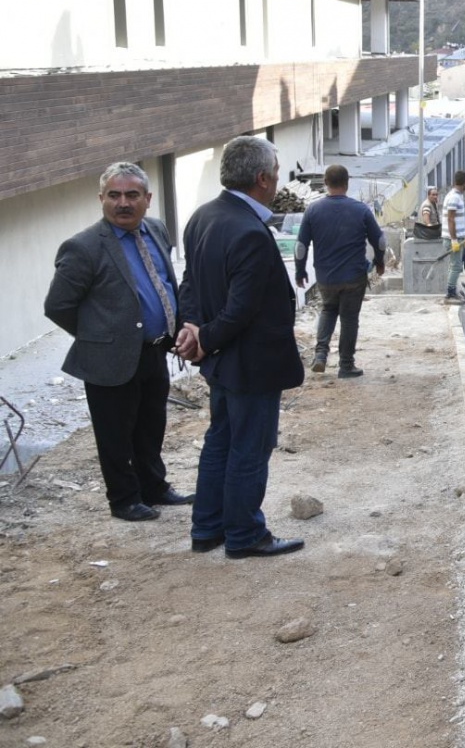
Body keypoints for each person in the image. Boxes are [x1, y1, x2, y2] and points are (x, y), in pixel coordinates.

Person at [175, 136, 305, 558]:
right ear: (263, 178)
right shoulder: (248, 229)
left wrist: (194, 331)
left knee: (221, 442)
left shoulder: (203, 216)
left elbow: (190, 284)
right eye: (277, 172)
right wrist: (203, 339)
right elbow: (241, 310)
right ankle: (245, 534)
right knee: (249, 447)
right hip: (250, 364)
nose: (278, 180)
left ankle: (207, 529)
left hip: (223, 361)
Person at [43, 163, 194, 522]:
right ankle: (124, 499)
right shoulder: (84, 247)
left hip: (155, 350)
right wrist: (102, 337)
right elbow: (58, 306)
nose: (122, 203)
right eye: (114, 195)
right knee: (115, 435)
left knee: (150, 426)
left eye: (131, 195)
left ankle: (154, 487)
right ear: (101, 199)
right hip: (110, 360)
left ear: (147, 199)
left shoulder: (156, 229)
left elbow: (164, 281)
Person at [294, 164, 387, 378]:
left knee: (328, 309)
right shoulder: (361, 210)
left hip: (326, 277)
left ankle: (320, 356)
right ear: (347, 183)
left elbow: (300, 246)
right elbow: (380, 241)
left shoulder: (313, 210)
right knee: (349, 318)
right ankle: (346, 365)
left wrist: (300, 272)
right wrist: (380, 262)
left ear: (325, 183)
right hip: (354, 276)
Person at [443, 171, 465, 302]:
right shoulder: (454, 197)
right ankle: (450, 293)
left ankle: (451, 290)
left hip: (458, 237)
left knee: (454, 266)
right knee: (456, 267)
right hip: (452, 239)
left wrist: (464, 236)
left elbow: (457, 220)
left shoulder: (457, 196)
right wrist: (454, 240)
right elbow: (451, 219)